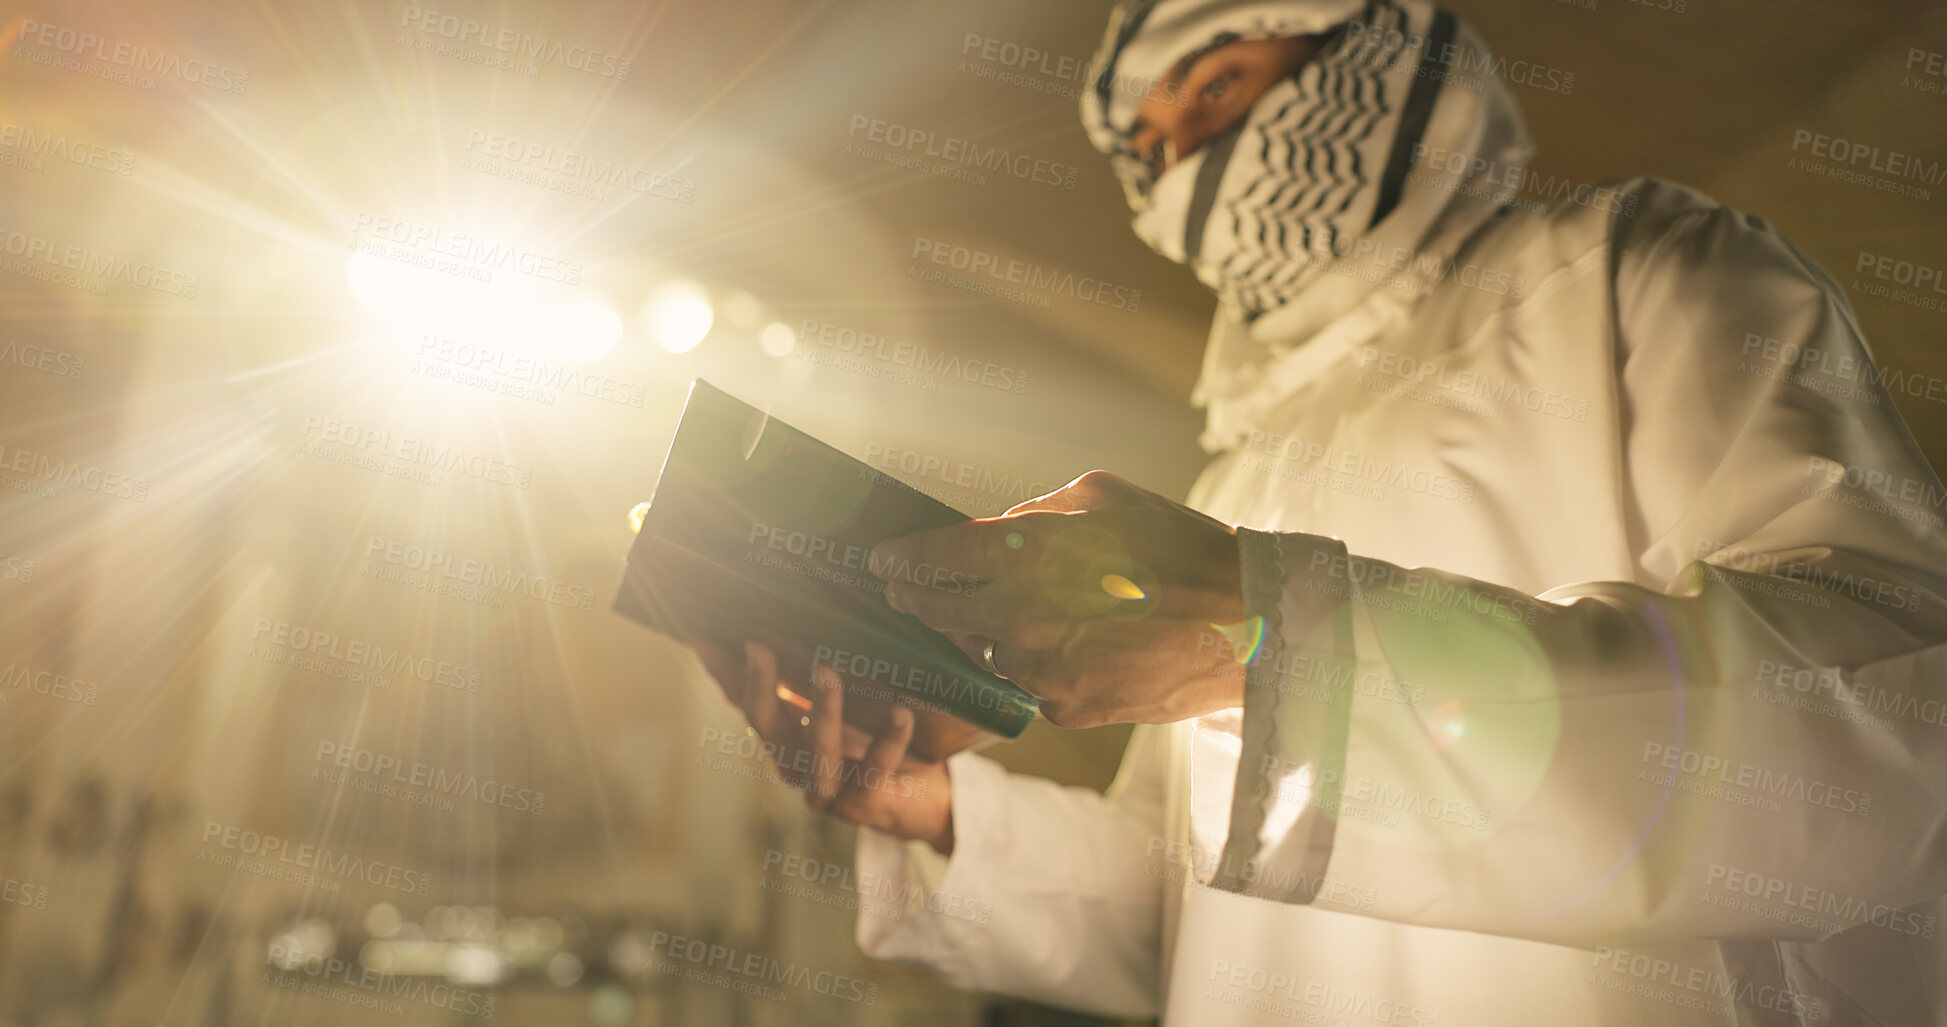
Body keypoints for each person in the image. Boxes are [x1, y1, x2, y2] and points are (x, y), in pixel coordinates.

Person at [695, 0, 1947, 1021]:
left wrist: (1273, 640)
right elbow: (1194, 913)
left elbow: (1887, 725)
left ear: (1375, 48)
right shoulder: (1235, 480)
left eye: (1216, 86)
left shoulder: (1637, 270)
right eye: (1149, 147)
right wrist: (938, 812)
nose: (1184, 162)